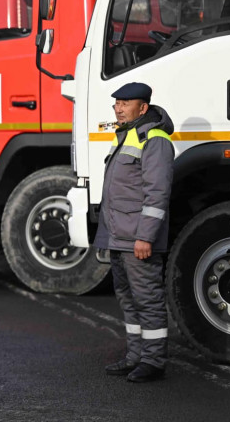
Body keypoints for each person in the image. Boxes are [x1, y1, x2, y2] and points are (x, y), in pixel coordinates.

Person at [97, 82, 174, 383]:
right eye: (116, 103)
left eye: (124, 103)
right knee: (128, 299)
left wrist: (146, 237)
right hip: (120, 236)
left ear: (142, 107)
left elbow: (157, 195)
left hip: (137, 239)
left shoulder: (154, 139)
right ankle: (135, 357)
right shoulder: (128, 134)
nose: (117, 108)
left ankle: (153, 362)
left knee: (148, 299)